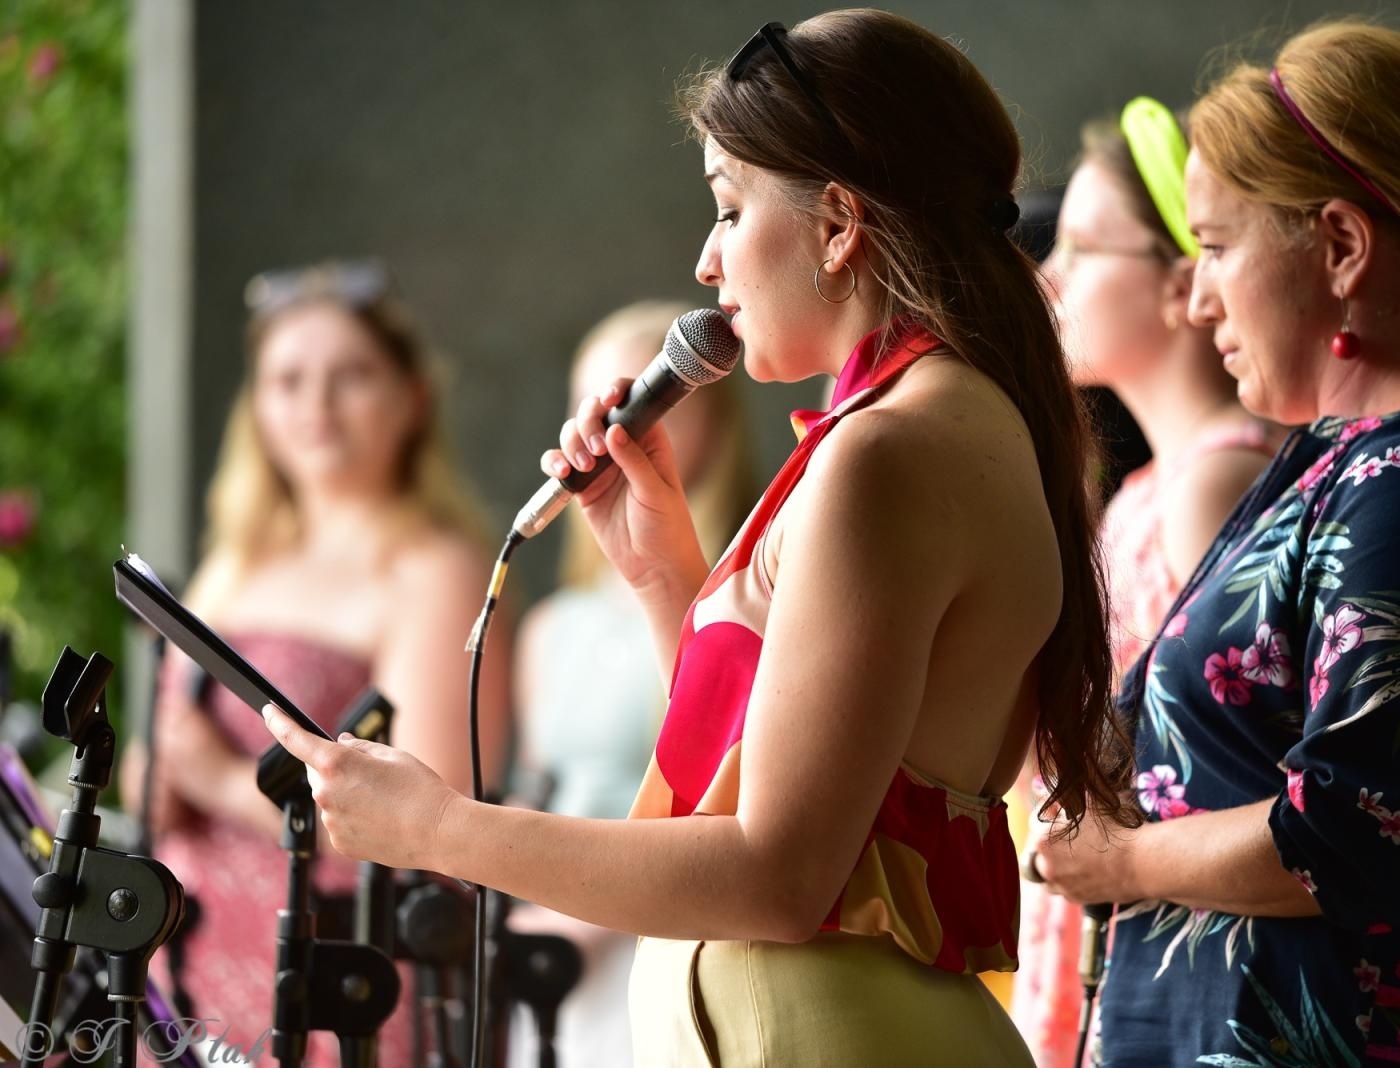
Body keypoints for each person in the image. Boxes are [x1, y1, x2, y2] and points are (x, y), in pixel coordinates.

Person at [261, 11, 1134, 1064]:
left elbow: (781, 877)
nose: (706, 259)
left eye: (728, 208)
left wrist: (441, 830)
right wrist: (663, 572)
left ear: (839, 224)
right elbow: (796, 770)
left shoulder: (887, 452)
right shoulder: (924, 424)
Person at [1031, 22, 1400, 1065]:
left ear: (1340, 246)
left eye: (1214, 246)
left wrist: (1121, 861)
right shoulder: (1355, 462)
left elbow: (1341, 837)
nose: (1199, 295)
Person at [121, 259, 513, 1067]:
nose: (316, 406)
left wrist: (220, 783)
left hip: (329, 988)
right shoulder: (236, 561)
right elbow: (160, 754)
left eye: (351, 376)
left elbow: (435, 822)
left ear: (412, 397)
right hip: (181, 973)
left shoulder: (433, 570)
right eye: (288, 380)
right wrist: (153, 778)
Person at [1014, 97, 1280, 1066]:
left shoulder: (1216, 481)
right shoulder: (1142, 489)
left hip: (1170, 943)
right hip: (1108, 917)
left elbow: (1241, 763)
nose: (1047, 277)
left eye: (1083, 249)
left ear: (1180, 283)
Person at [504, 300, 759, 1067]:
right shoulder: (553, 625)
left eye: (650, 396)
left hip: (663, 937)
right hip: (549, 951)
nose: (618, 425)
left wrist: (588, 913)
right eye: (595, 402)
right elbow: (538, 791)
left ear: (711, 416)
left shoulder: (748, 596)